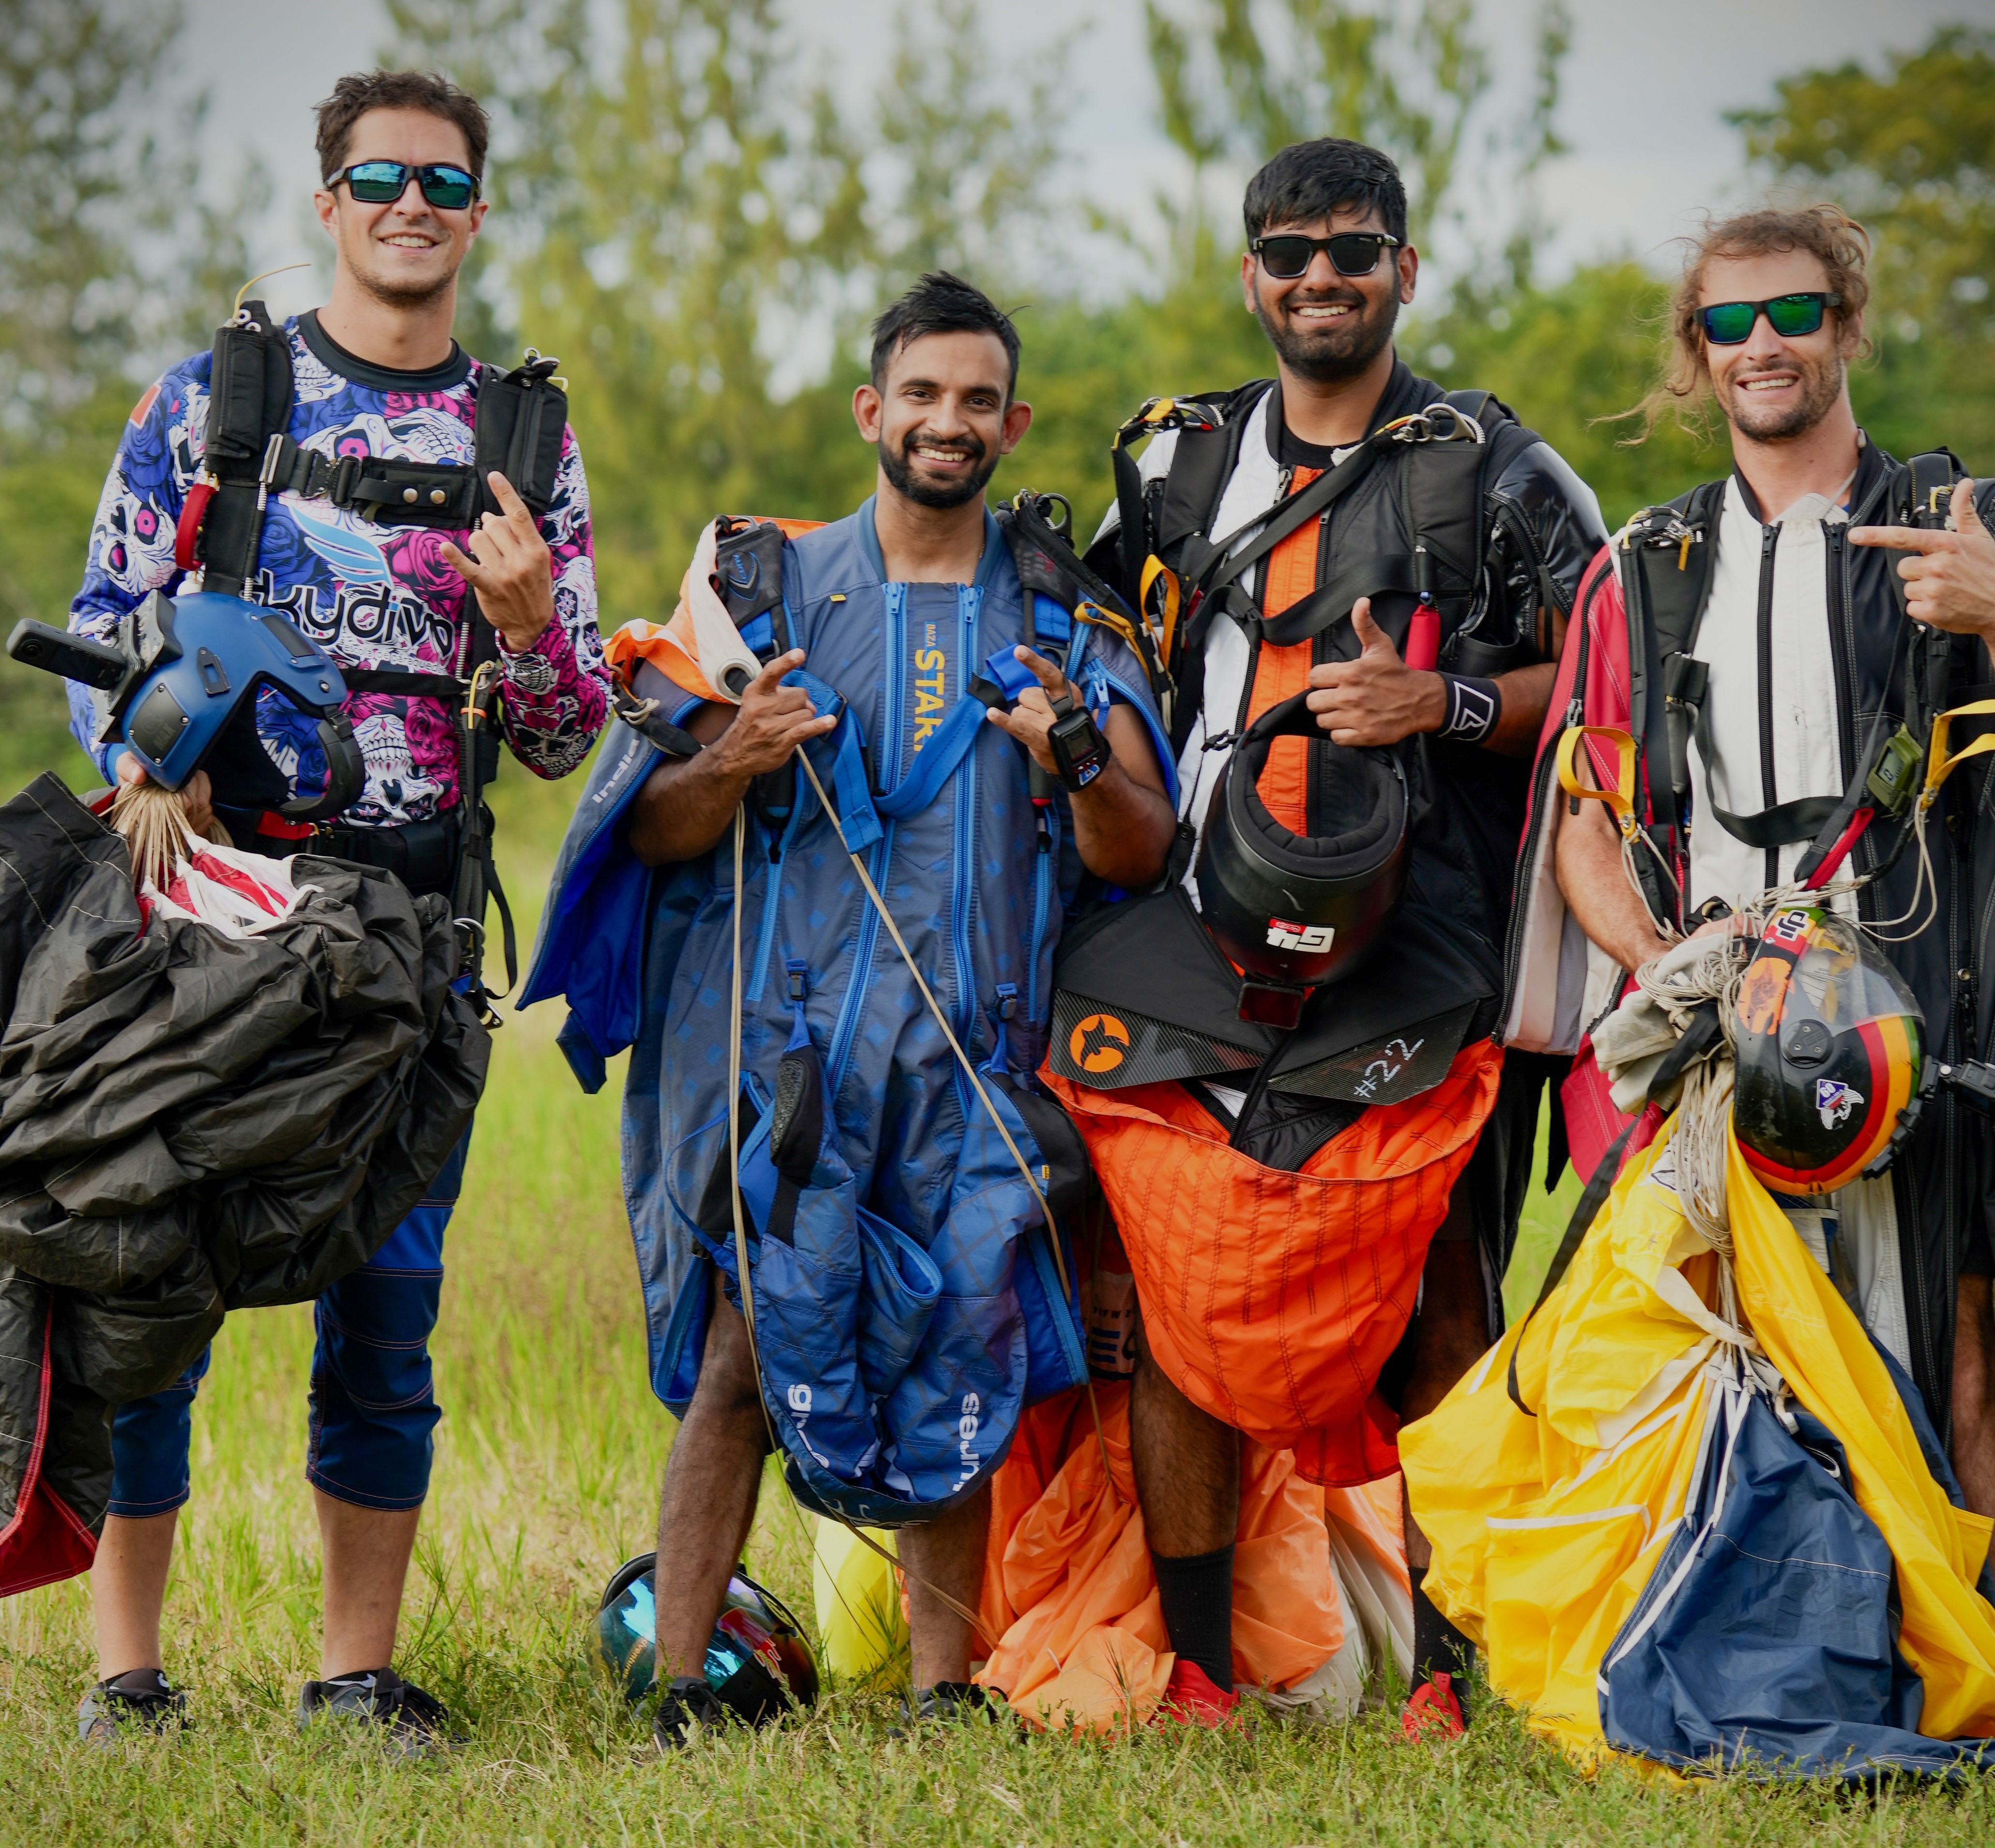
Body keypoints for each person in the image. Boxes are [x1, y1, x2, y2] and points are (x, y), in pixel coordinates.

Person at [63, 68, 608, 1750]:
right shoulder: (208, 400)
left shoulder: (524, 441)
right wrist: (139, 758)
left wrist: (529, 629)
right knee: (146, 1276)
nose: (409, 205)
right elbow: (101, 621)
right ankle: (125, 1682)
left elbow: (566, 732)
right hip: (209, 912)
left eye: (442, 183)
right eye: (378, 179)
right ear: (326, 203)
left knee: (390, 1306)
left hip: (412, 932)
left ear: (478, 213)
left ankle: (353, 1676)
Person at [577, 273, 1173, 1748]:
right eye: (921, 394)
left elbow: (1138, 849)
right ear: (871, 410)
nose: (946, 421)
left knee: (954, 1344)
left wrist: (1075, 753)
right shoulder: (764, 590)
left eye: (977, 400)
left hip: (977, 1055)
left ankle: (942, 1692)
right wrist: (732, 759)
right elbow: (644, 826)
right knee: (741, 1352)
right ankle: (679, 1688)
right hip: (794, 1059)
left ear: (1012, 425)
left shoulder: (1060, 618)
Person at [1069, 137, 1606, 1734]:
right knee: (1179, 1277)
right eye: (1290, 251)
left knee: (1438, 1285)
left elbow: (1616, 673)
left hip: (1419, 931)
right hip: (1197, 927)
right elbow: (1095, 640)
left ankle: (1449, 1668)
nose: (1321, 277)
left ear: (1402, 271)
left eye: (1352, 250)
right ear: (1250, 272)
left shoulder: (1492, 468)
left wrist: (1441, 701)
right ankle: (1196, 1669)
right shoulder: (1170, 464)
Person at [1529, 204, 1995, 1523]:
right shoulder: (1645, 567)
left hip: (1931, 1018)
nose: (1762, 343)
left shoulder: (1962, 523)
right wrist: (1666, 974)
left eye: (1793, 311)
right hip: (1727, 1040)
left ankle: (1959, 1622)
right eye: (1729, 321)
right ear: (1699, 349)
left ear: (1844, 325)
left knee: (1956, 1348)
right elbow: (1582, 819)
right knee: (1721, 1367)